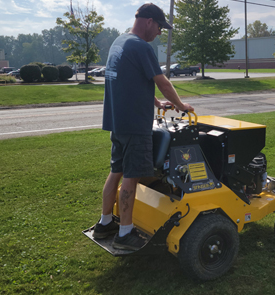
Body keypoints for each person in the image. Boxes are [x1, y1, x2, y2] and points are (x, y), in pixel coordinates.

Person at [92, 3, 194, 251]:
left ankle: (105, 222)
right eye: (160, 27)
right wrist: (181, 105)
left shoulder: (120, 42)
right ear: (149, 21)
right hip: (135, 125)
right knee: (131, 176)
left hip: (118, 123)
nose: (160, 32)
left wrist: (156, 102)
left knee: (115, 171)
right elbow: (163, 82)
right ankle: (125, 233)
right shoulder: (141, 46)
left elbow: (132, 80)